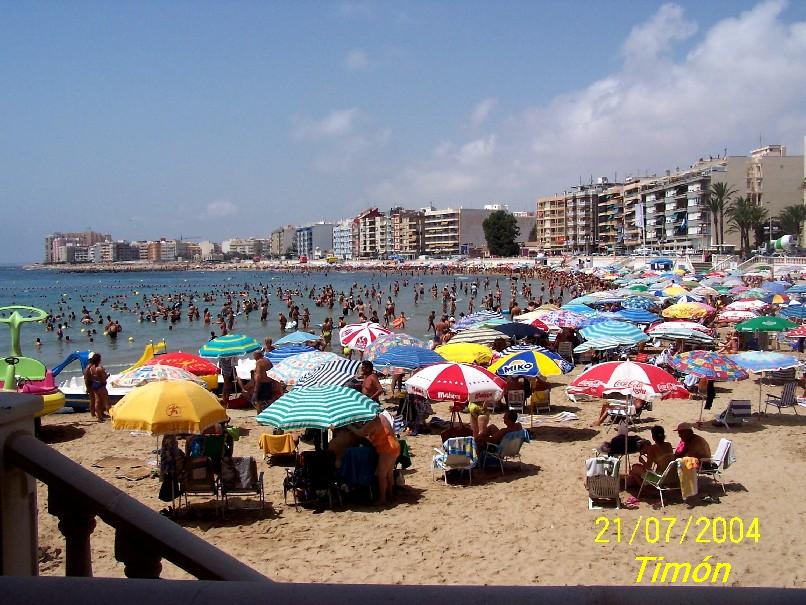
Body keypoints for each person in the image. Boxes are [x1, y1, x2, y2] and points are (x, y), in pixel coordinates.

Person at [349, 414, 400, 505]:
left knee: (382, 474)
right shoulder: (382, 417)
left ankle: (382, 499)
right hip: (394, 445)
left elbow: (362, 433)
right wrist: (356, 426)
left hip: (387, 448)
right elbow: (365, 429)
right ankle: (390, 495)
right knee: (389, 473)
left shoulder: (375, 421)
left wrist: (349, 426)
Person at [87, 353, 110, 421]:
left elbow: (91, 377)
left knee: (97, 401)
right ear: (99, 359)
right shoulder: (99, 368)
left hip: (95, 385)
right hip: (101, 385)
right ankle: (111, 415)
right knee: (106, 401)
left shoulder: (91, 368)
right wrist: (107, 375)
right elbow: (103, 378)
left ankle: (99, 417)